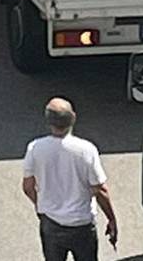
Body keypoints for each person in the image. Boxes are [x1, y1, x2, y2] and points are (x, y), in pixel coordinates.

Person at [21, 97, 118, 261]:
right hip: (82, 225)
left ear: (48, 120)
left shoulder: (35, 148)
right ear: (73, 118)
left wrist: (41, 205)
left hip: (51, 223)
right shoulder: (85, 150)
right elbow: (99, 190)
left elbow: (28, 187)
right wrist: (111, 219)